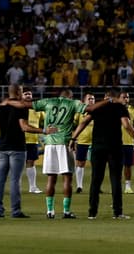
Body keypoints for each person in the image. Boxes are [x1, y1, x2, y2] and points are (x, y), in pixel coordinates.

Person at [73, 90, 134, 220]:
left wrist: (73, 138)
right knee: (115, 179)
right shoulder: (120, 107)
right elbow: (126, 125)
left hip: (98, 147)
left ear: (105, 97)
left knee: (96, 179)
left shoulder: (97, 107)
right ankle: (117, 212)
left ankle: (92, 213)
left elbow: (83, 122)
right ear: (116, 97)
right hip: (114, 147)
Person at [0, 85, 43, 218]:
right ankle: (15, 211)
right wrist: (44, 131)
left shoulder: (0, 108)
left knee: (0, 179)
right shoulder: (22, 108)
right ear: (18, 92)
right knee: (15, 180)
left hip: (3, 148)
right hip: (17, 148)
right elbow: (24, 127)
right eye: (22, 91)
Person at [33, 87, 88, 218]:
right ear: (70, 96)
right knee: (67, 179)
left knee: (51, 179)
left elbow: (28, 105)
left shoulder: (48, 101)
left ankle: (50, 211)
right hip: (64, 143)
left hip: (49, 144)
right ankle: (66, 211)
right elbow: (89, 109)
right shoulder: (72, 103)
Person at [73, 94, 95, 194]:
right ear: (84, 101)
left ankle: (96, 186)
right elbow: (74, 125)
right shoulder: (79, 113)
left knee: (96, 164)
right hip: (82, 141)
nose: (91, 100)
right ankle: (79, 186)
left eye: (93, 99)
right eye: (89, 99)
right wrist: (74, 139)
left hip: (95, 142)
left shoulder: (98, 111)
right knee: (80, 163)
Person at [23, 90, 45, 194]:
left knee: (31, 162)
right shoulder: (18, 109)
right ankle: (15, 187)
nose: (28, 95)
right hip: (19, 140)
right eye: (26, 94)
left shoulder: (37, 109)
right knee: (16, 164)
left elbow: (46, 119)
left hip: (33, 140)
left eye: (29, 94)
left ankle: (32, 187)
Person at [118, 93, 134, 193]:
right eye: (124, 97)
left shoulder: (133, 111)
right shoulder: (115, 109)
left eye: (127, 97)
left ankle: (128, 187)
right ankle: (117, 186)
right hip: (117, 142)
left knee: (128, 165)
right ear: (119, 98)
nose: (126, 99)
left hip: (129, 142)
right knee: (117, 166)